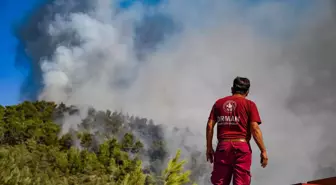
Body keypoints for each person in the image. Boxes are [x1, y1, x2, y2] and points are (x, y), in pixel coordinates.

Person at [206, 76, 268, 185]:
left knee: (219, 182)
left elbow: (210, 125)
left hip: (222, 148)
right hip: (241, 148)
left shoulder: (219, 103)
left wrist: (209, 147)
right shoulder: (250, 105)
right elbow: (255, 129)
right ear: (247, 91)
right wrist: (263, 150)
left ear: (232, 89)